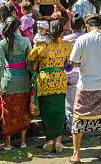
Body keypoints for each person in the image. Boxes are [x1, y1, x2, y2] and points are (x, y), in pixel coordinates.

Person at [69, 14, 101, 163]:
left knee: (78, 118)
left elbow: (73, 62)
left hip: (85, 85)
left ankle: (76, 154)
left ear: (87, 26)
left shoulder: (81, 40)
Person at [28, 20, 73, 153]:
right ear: (62, 31)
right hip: (59, 79)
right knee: (59, 112)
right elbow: (70, 64)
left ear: (48, 31)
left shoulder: (41, 45)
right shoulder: (67, 46)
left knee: (47, 113)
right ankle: (58, 142)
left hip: (44, 81)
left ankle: (49, 141)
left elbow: (30, 58)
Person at [0, 16, 31, 150]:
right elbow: (31, 61)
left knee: (8, 111)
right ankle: (22, 142)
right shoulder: (26, 40)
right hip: (24, 79)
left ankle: (8, 144)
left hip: (8, 80)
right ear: (17, 27)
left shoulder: (2, 43)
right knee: (23, 110)